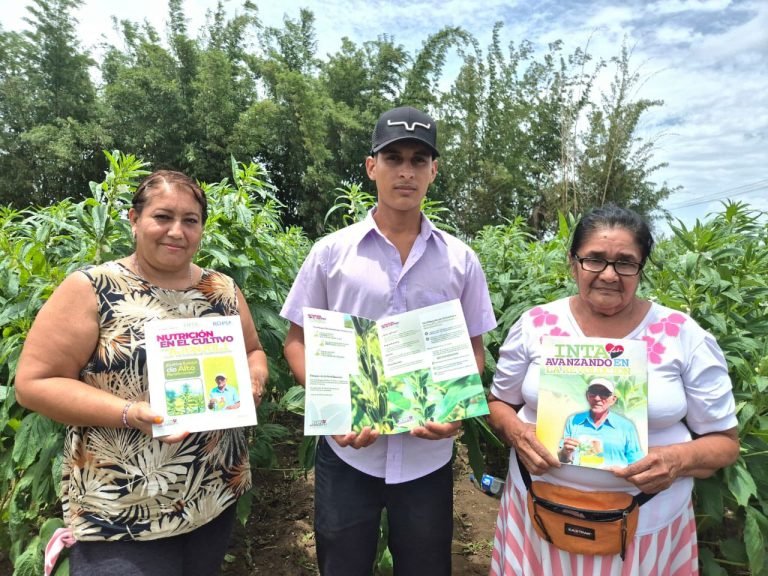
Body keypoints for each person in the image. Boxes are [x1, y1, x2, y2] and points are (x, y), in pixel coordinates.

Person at [15, 170, 269, 576]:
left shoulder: (221, 289)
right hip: (122, 511)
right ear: (134, 219)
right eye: (162, 217)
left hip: (213, 495)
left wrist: (254, 379)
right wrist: (129, 412)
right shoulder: (93, 288)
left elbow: (253, 350)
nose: (176, 231)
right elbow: (34, 384)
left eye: (190, 220)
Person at [281, 105, 497, 575]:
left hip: (426, 457)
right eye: (393, 158)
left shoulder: (460, 260)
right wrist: (334, 407)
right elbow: (296, 342)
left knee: (426, 566)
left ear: (433, 171)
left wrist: (454, 408)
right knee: (343, 565)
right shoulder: (330, 254)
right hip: (348, 452)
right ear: (371, 166)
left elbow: (473, 348)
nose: (406, 171)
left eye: (419, 160)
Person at [487, 205, 739, 575]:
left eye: (625, 262)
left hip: (645, 526)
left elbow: (725, 443)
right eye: (594, 259)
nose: (609, 274)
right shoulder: (536, 324)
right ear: (573, 263)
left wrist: (677, 459)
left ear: (641, 268)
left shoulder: (682, 335)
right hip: (538, 512)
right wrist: (517, 432)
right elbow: (498, 404)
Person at [557, 377, 644, 468]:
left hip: (612, 477)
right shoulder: (573, 421)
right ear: (587, 396)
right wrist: (565, 452)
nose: (597, 398)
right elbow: (562, 459)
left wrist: (621, 471)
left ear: (613, 399)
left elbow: (636, 463)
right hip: (579, 476)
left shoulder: (626, 426)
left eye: (604, 394)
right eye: (593, 393)